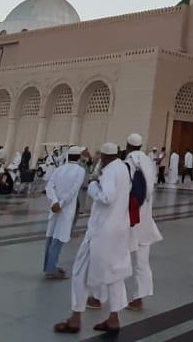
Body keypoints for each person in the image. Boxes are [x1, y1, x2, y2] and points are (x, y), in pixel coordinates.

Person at [55, 142, 132, 335]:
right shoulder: (124, 168)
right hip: (119, 229)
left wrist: (92, 187)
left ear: (105, 157)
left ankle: (75, 319)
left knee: (79, 271)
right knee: (115, 274)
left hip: (101, 231)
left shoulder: (110, 172)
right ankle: (114, 319)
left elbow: (107, 197)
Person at [124, 133, 162, 311]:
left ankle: (98, 296)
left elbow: (125, 187)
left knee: (115, 256)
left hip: (130, 216)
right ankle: (139, 297)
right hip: (145, 216)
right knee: (142, 260)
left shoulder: (130, 161)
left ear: (128, 145)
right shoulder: (148, 161)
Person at [43, 147, 86, 279]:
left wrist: (54, 201)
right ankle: (51, 269)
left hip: (55, 208)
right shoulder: (80, 171)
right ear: (79, 157)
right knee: (58, 238)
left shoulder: (59, 169)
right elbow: (73, 191)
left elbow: (49, 186)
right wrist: (60, 204)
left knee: (51, 237)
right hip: (65, 209)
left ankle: (49, 266)